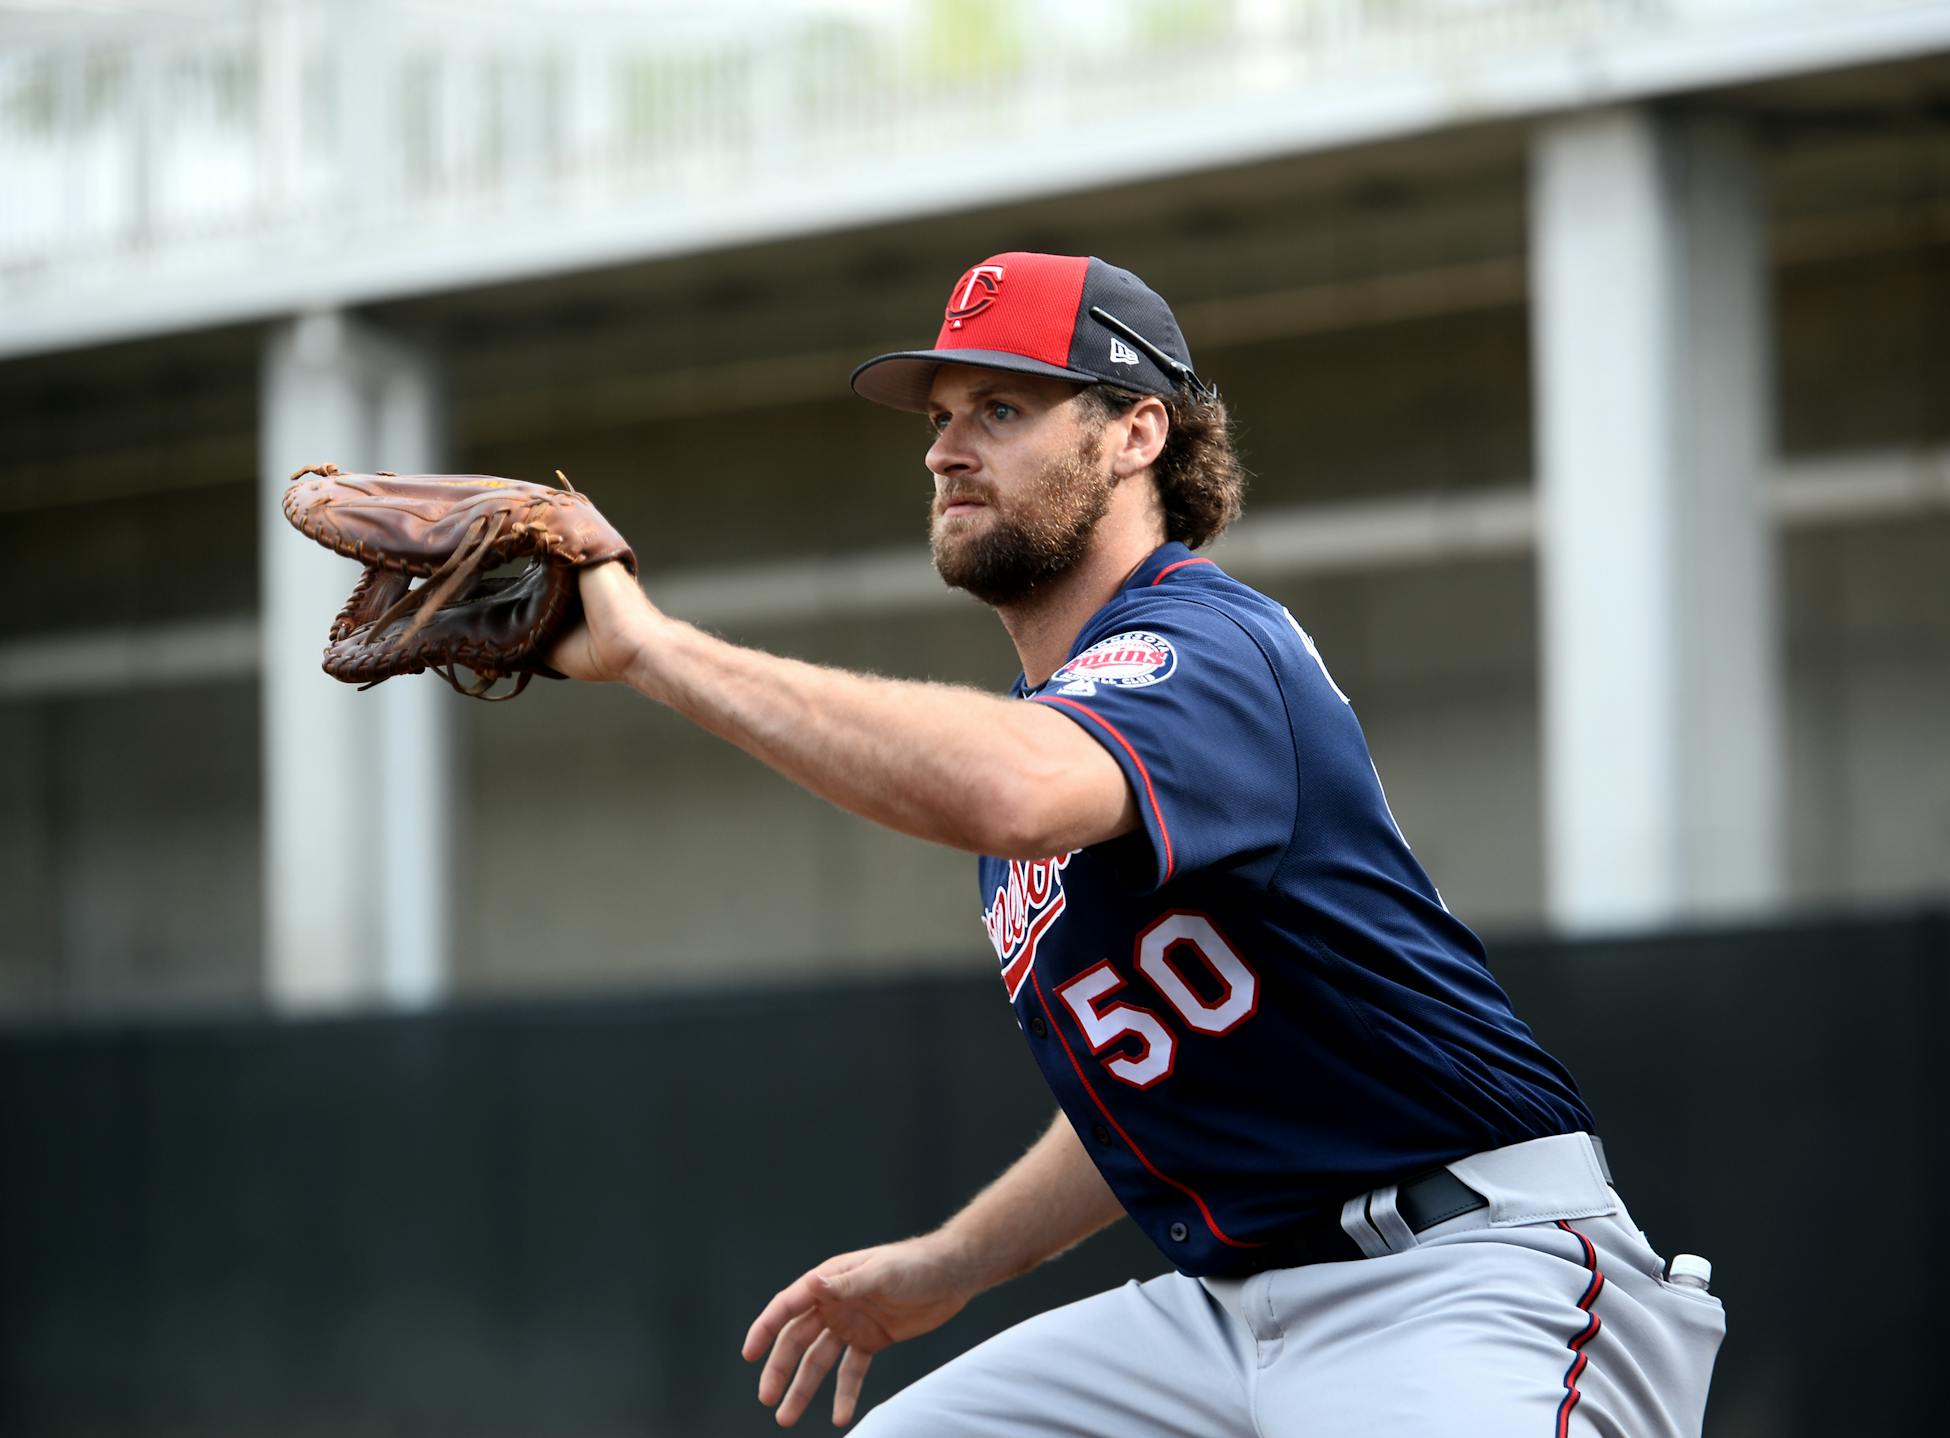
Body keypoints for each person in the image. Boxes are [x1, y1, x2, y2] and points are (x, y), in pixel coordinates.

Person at [549, 252, 1725, 1436]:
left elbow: (1005, 789)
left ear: (1136, 433)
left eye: (1002, 409)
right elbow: (1151, 1078)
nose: (944, 450)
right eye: (943, 417)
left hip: (1459, 1274)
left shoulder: (1205, 646)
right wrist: (954, 1259)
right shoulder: (1047, 737)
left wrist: (654, 649)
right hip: (1228, 1311)